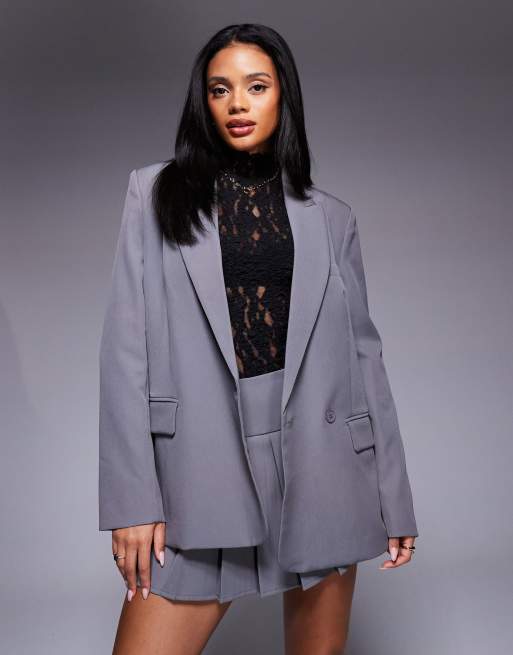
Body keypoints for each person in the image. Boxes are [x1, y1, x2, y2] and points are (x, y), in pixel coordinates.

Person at [99, 23, 418, 655]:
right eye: (220, 89)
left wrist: (395, 499)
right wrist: (131, 502)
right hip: (201, 461)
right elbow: (124, 351)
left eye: (256, 86)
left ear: (283, 97)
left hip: (322, 463)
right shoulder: (154, 195)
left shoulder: (332, 218)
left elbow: (365, 360)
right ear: (204, 103)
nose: (237, 104)